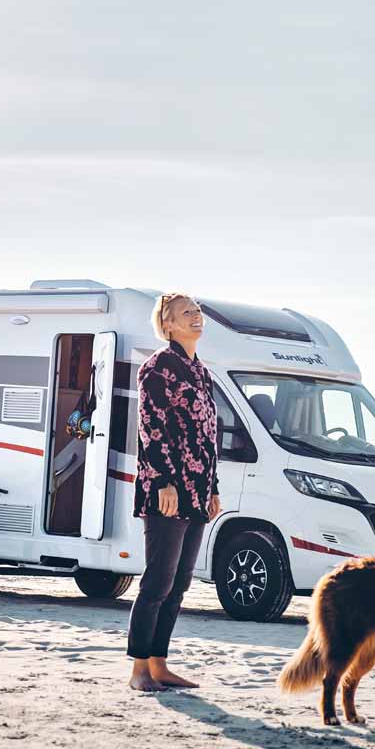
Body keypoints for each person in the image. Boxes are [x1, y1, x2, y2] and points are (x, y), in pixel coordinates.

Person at [127, 293, 221, 692]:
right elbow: (151, 428)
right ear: (168, 325)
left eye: (197, 311)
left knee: (180, 583)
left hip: (198, 491)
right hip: (167, 489)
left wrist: (213, 487)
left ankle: (160, 664)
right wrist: (164, 479)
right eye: (187, 313)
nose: (196, 316)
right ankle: (138, 670)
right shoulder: (156, 369)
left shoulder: (202, 373)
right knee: (157, 583)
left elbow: (208, 436)